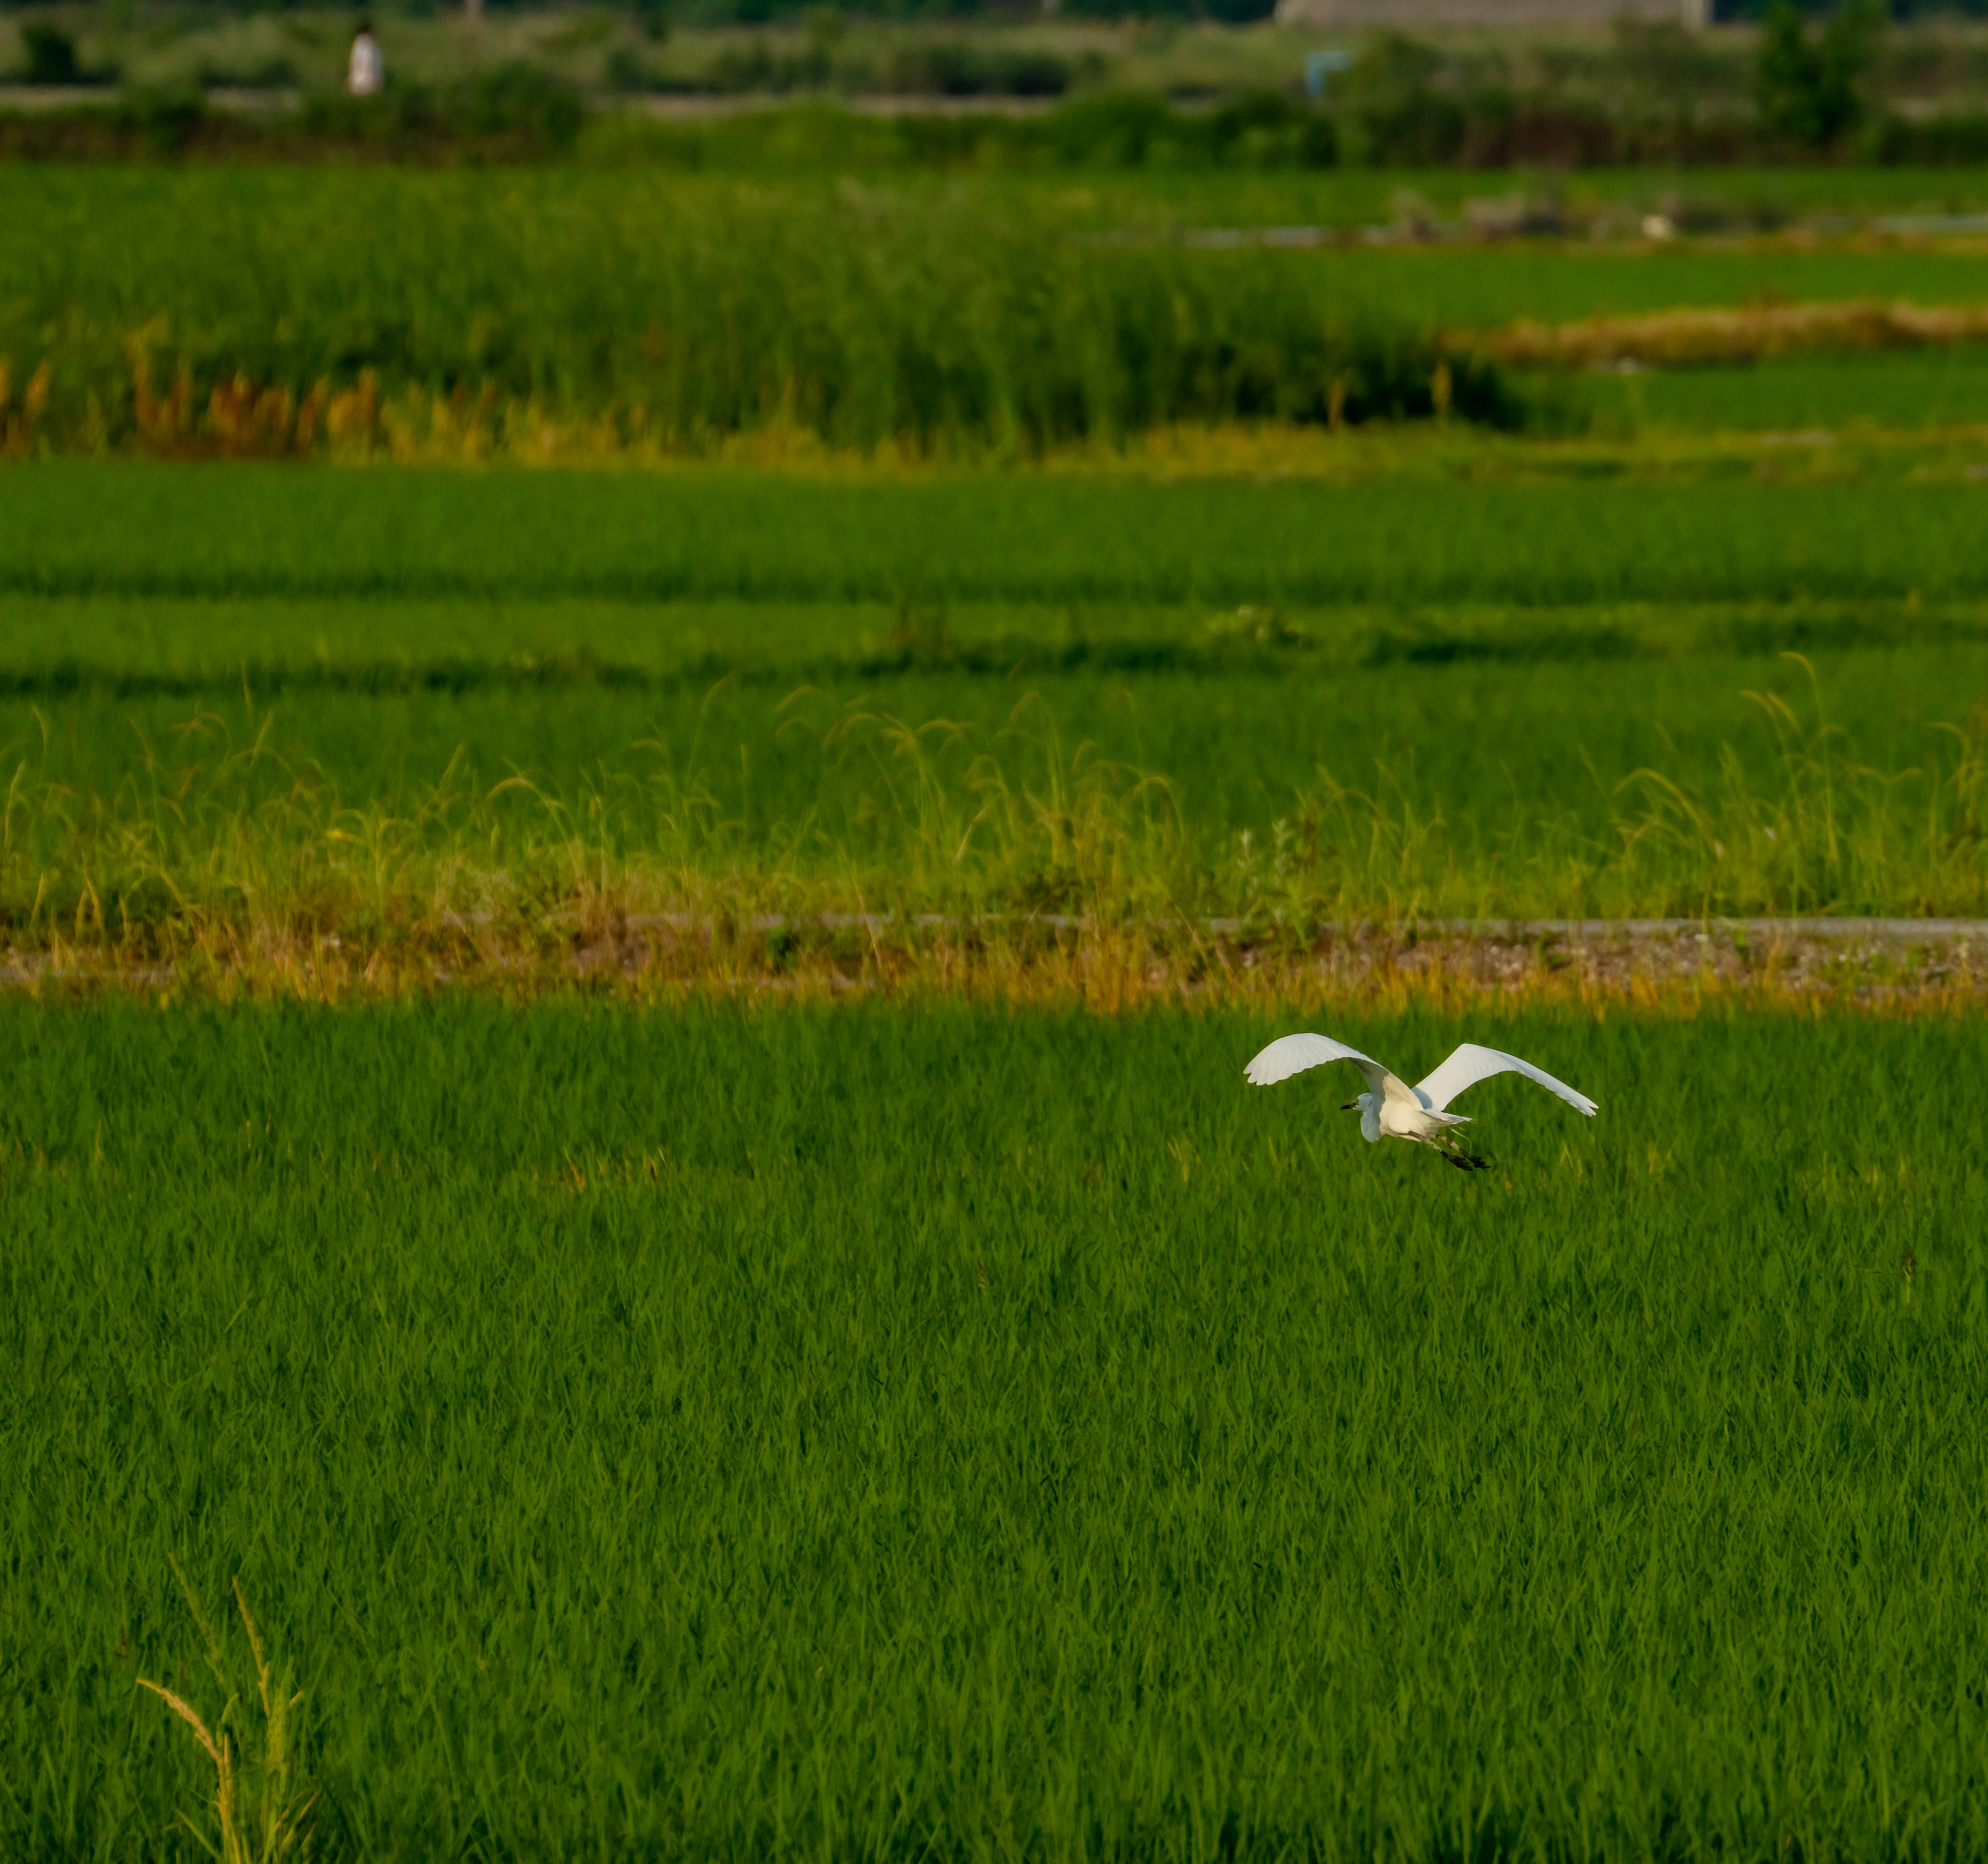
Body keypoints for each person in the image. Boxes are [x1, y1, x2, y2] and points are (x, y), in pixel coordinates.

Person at [347, 22, 383, 97]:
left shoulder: (358, 44)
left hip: (357, 83)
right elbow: (368, 64)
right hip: (367, 85)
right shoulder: (367, 45)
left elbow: (353, 64)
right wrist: (373, 83)